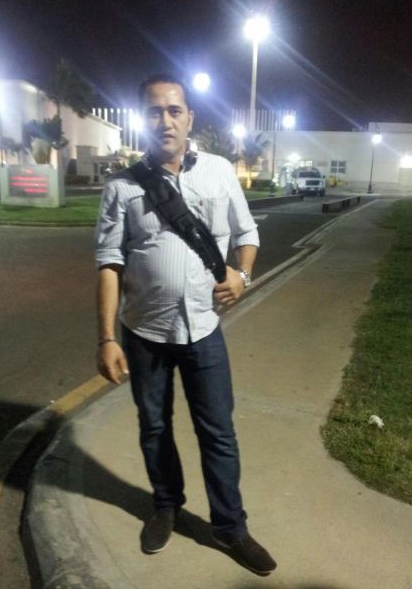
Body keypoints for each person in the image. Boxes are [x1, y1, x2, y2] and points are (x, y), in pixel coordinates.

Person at [95, 72, 277, 576]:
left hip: (203, 330)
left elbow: (247, 233)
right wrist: (107, 337)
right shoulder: (122, 186)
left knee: (218, 431)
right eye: (154, 111)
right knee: (154, 426)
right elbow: (109, 264)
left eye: (174, 110)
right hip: (143, 333)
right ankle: (166, 506)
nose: (165, 120)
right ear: (143, 119)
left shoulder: (218, 171)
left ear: (189, 118)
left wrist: (242, 275)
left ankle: (230, 527)